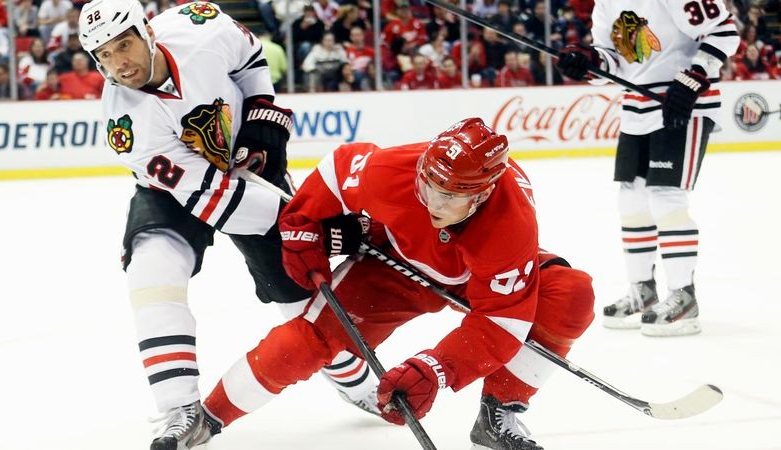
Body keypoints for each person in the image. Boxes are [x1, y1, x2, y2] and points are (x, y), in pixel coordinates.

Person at [77, 1, 378, 449]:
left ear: (148, 33)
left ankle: (361, 386)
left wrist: (261, 111)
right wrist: (310, 224)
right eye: (104, 55)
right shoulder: (127, 125)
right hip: (175, 192)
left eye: (124, 45)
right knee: (151, 270)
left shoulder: (199, 25)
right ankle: (180, 409)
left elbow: (250, 58)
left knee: (301, 300)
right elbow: (218, 201)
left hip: (248, 165)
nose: (119, 63)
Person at [201, 118, 596, 450]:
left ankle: (499, 414)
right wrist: (301, 223)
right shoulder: (395, 170)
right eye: (428, 187)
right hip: (398, 265)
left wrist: (437, 368)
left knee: (571, 295)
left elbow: (503, 322)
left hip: (475, 275)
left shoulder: (510, 228)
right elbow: (336, 172)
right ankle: (208, 418)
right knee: (311, 339)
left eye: (449, 197)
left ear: (482, 195)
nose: (433, 204)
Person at [555, 0, 739, 336]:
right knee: (631, 200)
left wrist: (695, 77)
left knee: (665, 196)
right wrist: (587, 62)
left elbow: (724, 31)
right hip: (636, 107)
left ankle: (684, 296)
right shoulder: (604, 4)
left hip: (682, 104)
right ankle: (643, 290)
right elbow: (613, 60)